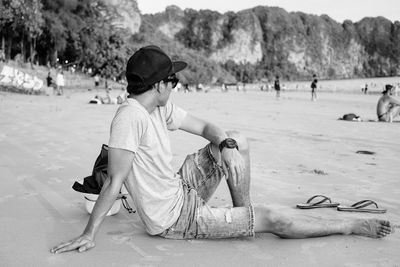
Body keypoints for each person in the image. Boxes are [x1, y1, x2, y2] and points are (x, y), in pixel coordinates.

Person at [51, 45, 391, 254]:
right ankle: (350, 226)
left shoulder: (159, 107)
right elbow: (114, 182)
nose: (175, 85)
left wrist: (226, 145)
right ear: (158, 86)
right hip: (175, 219)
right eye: (173, 81)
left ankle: (244, 213)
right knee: (273, 219)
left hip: (180, 187)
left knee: (237, 139)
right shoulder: (130, 117)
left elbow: (206, 128)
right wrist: (88, 234)